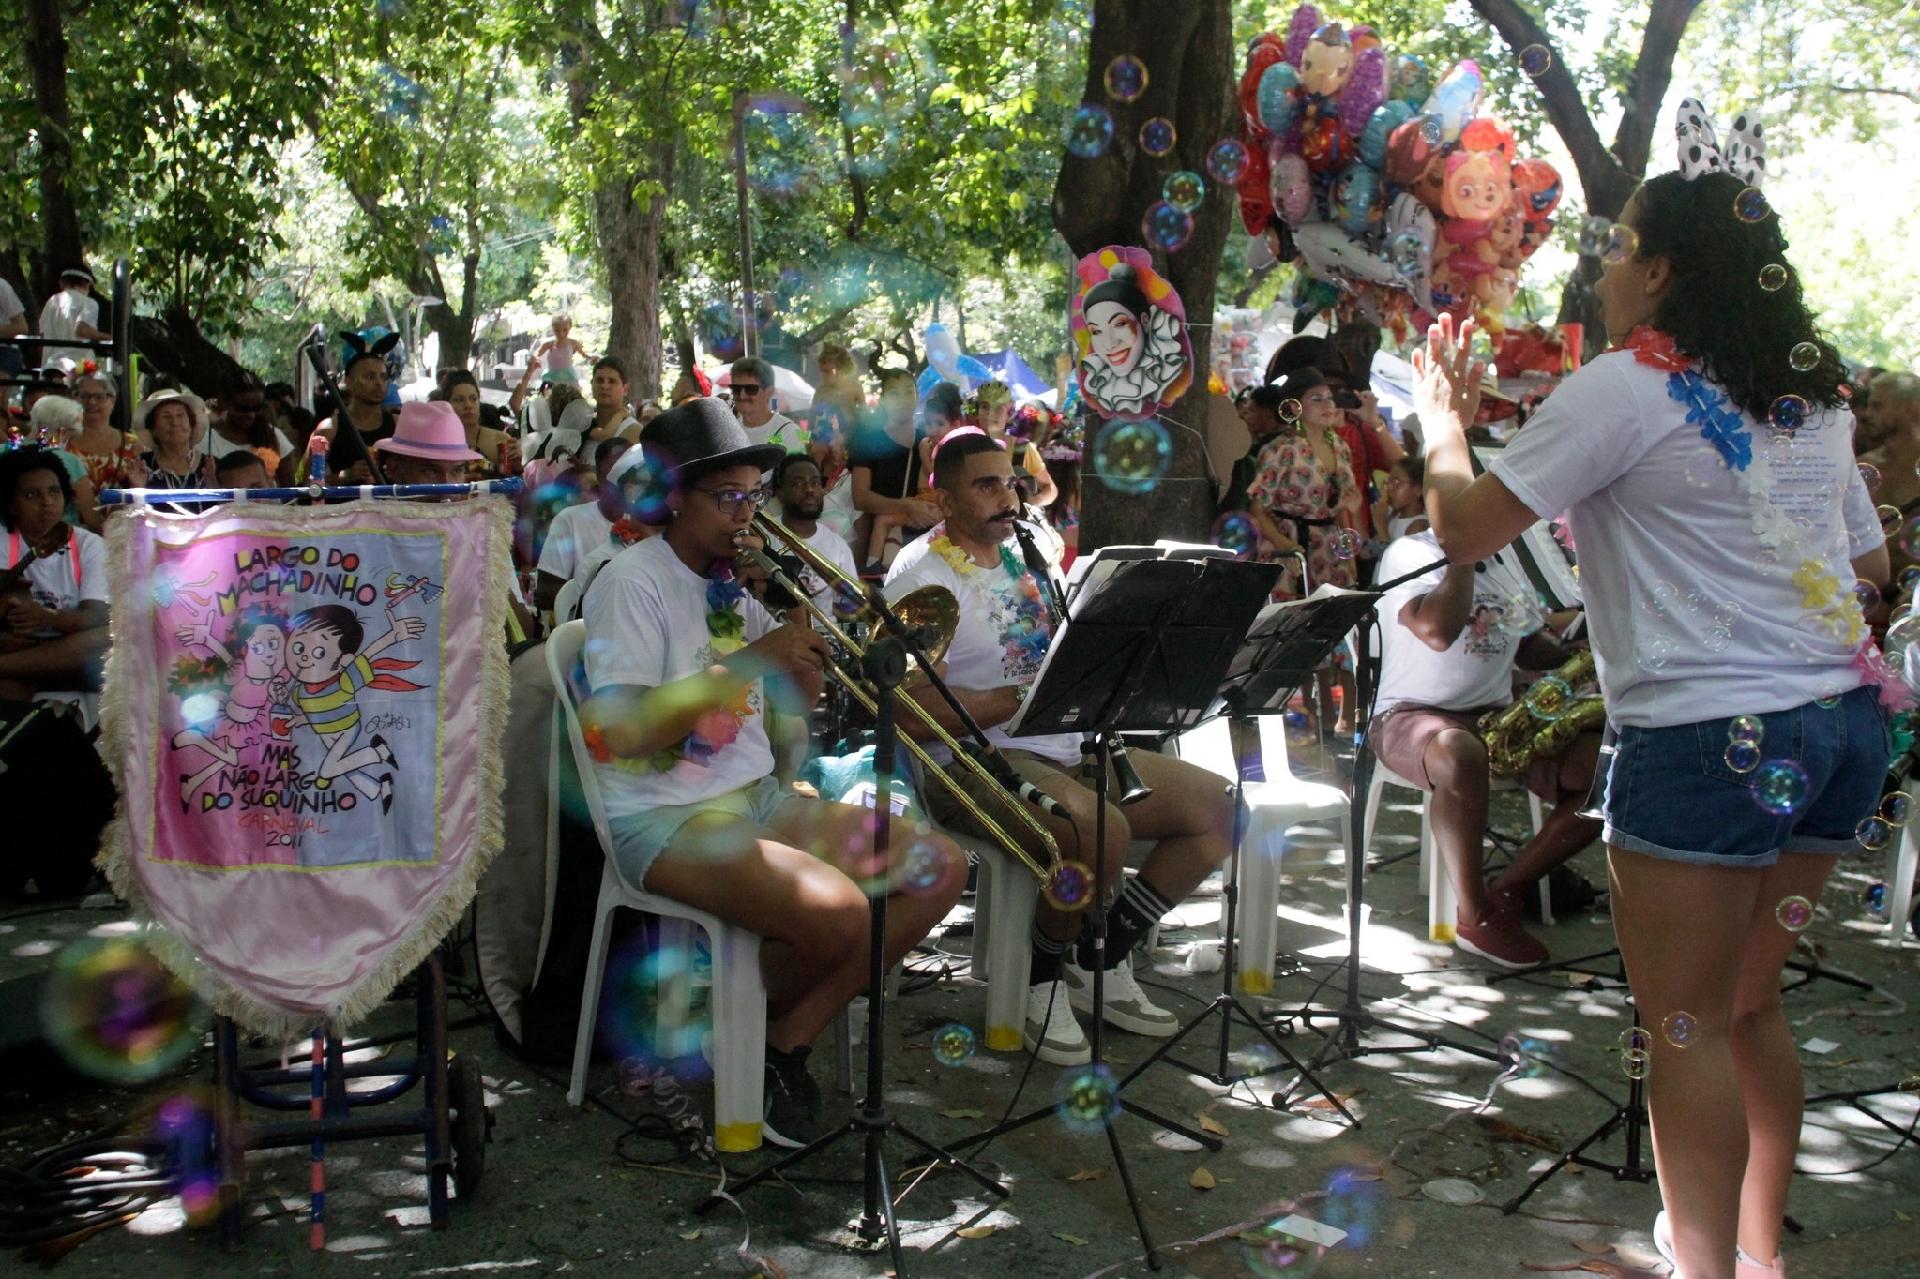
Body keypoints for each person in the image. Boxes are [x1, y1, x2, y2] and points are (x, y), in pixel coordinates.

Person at [1416, 162, 1891, 1279]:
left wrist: (1441, 420)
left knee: (1681, 1025)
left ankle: (1707, 1271)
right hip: (1836, 726)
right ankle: (1755, 1259)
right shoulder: (1807, 394)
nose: (1604, 265)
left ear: (1664, 271)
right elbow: (1866, 560)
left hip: (1706, 739)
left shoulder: (1626, 387)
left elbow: (1466, 524)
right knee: (1745, 1006)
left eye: (1618, 245)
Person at [580, 397, 964, 1145]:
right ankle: (735, 1033)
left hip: (749, 795)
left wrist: (803, 646)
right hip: (661, 815)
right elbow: (622, 730)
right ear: (674, 498)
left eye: (751, 495)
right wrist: (755, 660)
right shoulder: (633, 582)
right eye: (728, 497)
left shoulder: (726, 584)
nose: (745, 514)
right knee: (841, 912)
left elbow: (795, 692)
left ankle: (776, 1039)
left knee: (937, 864)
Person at [884, 431, 1235, 1064]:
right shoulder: (923, 574)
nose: (1006, 496)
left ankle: (1100, 957)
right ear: (942, 501)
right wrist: (1026, 697)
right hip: (971, 761)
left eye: (1010, 482)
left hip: (1068, 746)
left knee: (1219, 808)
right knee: (1102, 829)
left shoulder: (1031, 554)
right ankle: (1041, 982)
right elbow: (911, 711)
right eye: (985, 485)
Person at [1371, 525, 1604, 966]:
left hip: (1496, 718)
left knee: (1608, 770)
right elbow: (1437, 630)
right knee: (1460, 755)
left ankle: (1509, 890)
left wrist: (1588, 653)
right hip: (1410, 715)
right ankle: (1473, 915)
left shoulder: (1505, 563)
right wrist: (1463, 553)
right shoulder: (1408, 554)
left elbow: (1528, 647)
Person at [0, 446, 110, 703]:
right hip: (16, 646)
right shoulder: (3, 540)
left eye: (54, 491)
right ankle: (33, 670)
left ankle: (15, 667)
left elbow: (97, 616)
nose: (47, 502)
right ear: (12, 505)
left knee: (106, 636)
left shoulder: (89, 544)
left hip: (71, 648)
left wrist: (49, 619)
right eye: (31, 495)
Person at [850, 369, 942, 572]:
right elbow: (860, 497)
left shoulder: (928, 441)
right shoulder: (867, 442)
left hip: (926, 539)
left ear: (917, 397)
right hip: (878, 541)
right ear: (882, 399)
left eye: (908, 391)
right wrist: (906, 506)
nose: (903, 399)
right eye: (894, 393)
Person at [535, 438, 631, 613]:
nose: (627, 479)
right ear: (600, 476)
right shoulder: (569, 520)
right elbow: (544, 594)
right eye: (618, 471)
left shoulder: (650, 521)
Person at [770, 452, 858, 616]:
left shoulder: (838, 546)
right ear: (780, 493)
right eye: (798, 484)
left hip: (823, 637)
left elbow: (848, 608)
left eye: (815, 482)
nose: (810, 490)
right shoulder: (763, 535)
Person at [314, 343, 400, 482]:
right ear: (349, 381)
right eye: (369, 377)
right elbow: (302, 479)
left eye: (383, 377)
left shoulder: (398, 425)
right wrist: (343, 476)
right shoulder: (328, 429)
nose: (379, 383)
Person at [1221, 385, 1293, 516]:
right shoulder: (1284, 440)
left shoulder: (1268, 449)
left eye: (1251, 410)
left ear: (1267, 415)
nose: (1243, 415)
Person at [206, 372, 294, 478]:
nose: (251, 415)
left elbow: (288, 486)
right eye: (243, 408)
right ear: (225, 402)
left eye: (257, 408)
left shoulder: (274, 436)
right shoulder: (205, 437)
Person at [129, 390, 216, 490]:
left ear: (191, 424)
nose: (175, 423)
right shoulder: (140, 466)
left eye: (180, 415)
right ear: (153, 430)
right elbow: (131, 505)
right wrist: (137, 487)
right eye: (166, 417)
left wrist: (214, 484)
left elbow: (229, 504)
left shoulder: (211, 466)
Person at [38, 266, 106, 371]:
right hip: (78, 367)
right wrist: (110, 338)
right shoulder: (89, 303)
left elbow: (42, 333)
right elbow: (82, 330)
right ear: (86, 283)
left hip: (50, 366)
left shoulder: (52, 301)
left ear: (62, 283)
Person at [729, 356, 804, 451]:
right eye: (736, 389)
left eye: (751, 389)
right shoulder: (731, 432)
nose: (742, 396)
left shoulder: (788, 433)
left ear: (769, 392)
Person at [442, 369, 510, 474]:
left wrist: (517, 465)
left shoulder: (500, 440)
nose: (468, 405)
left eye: (473, 399)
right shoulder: (439, 443)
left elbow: (513, 482)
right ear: (447, 404)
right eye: (460, 400)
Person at [587, 357, 641, 443]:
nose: (604, 386)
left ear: (625, 389)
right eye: (599, 380)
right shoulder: (583, 426)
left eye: (612, 381)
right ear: (591, 384)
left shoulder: (634, 431)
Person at [1380, 453, 1429, 540]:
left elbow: (1391, 554)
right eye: (1389, 481)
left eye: (1397, 481)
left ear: (1418, 489)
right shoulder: (1393, 516)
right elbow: (1368, 552)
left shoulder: (1419, 525)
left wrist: (1381, 526)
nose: (1389, 487)